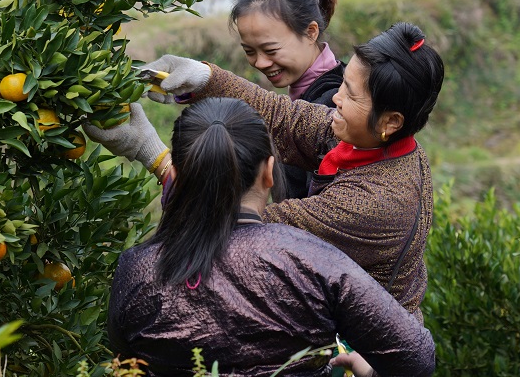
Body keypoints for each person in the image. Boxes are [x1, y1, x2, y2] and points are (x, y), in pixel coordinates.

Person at [105, 97, 435, 376]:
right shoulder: (311, 258)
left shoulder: (136, 270)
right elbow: (416, 356)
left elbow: (127, 364)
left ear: (174, 175)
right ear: (268, 171)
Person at [233, 0, 345, 199]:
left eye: (270, 49)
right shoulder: (315, 89)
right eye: (249, 51)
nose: (261, 63)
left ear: (311, 32)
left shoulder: (333, 104)